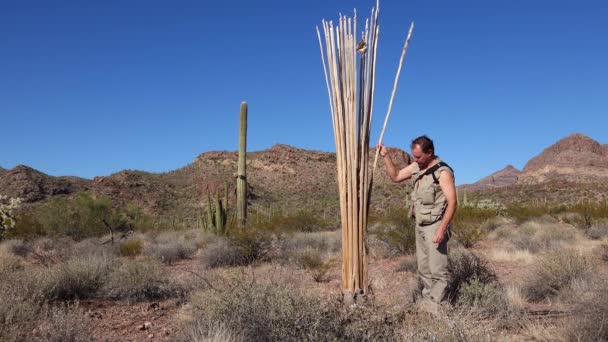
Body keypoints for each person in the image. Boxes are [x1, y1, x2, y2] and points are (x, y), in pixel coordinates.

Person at [377, 135, 457, 312]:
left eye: (419, 156)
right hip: (420, 225)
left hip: (435, 225)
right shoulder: (416, 167)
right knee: (423, 267)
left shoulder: (442, 172)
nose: (415, 159)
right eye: (414, 156)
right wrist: (386, 156)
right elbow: (396, 177)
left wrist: (441, 230)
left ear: (430, 153)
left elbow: (453, 203)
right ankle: (428, 301)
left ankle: (438, 307)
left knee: (437, 269)